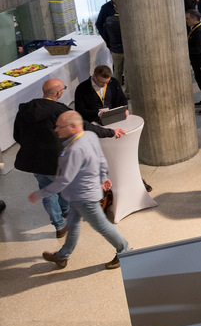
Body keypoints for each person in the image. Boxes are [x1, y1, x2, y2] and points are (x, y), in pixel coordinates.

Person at [15, 79, 123, 238]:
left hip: (35, 162)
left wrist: (33, 148)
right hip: (57, 161)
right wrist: (111, 132)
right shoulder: (59, 110)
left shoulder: (25, 109)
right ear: (58, 93)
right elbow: (85, 126)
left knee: (47, 192)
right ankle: (68, 212)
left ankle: (59, 225)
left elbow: (17, 135)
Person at [31, 111, 129, 270]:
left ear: (73, 127)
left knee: (102, 226)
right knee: (73, 225)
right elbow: (100, 158)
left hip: (84, 197)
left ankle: (124, 251)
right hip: (79, 195)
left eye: (60, 127)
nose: (56, 130)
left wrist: (40, 194)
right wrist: (104, 176)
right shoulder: (89, 136)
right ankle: (62, 256)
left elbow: (64, 180)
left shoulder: (74, 150)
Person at [95, 0, 126, 93]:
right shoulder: (106, 8)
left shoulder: (126, 5)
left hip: (126, 44)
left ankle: (128, 92)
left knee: (128, 71)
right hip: (114, 44)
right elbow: (99, 24)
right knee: (117, 70)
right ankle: (116, 90)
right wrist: (107, 39)